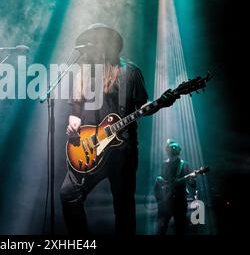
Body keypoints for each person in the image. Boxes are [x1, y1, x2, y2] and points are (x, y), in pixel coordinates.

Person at [60, 23, 178, 235]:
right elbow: (75, 107)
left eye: (96, 41)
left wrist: (160, 103)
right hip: (88, 148)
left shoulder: (129, 71)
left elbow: (143, 104)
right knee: (69, 194)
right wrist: (73, 121)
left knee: (123, 207)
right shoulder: (83, 74)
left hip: (121, 149)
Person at [154, 139, 196, 235]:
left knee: (180, 229)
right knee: (161, 229)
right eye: (171, 147)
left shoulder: (185, 165)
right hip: (165, 203)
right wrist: (159, 179)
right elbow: (159, 180)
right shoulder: (164, 164)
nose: (173, 149)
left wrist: (192, 180)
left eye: (175, 147)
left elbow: (192, 185)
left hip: (179, 203)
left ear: (179, 150)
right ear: (167, 150)